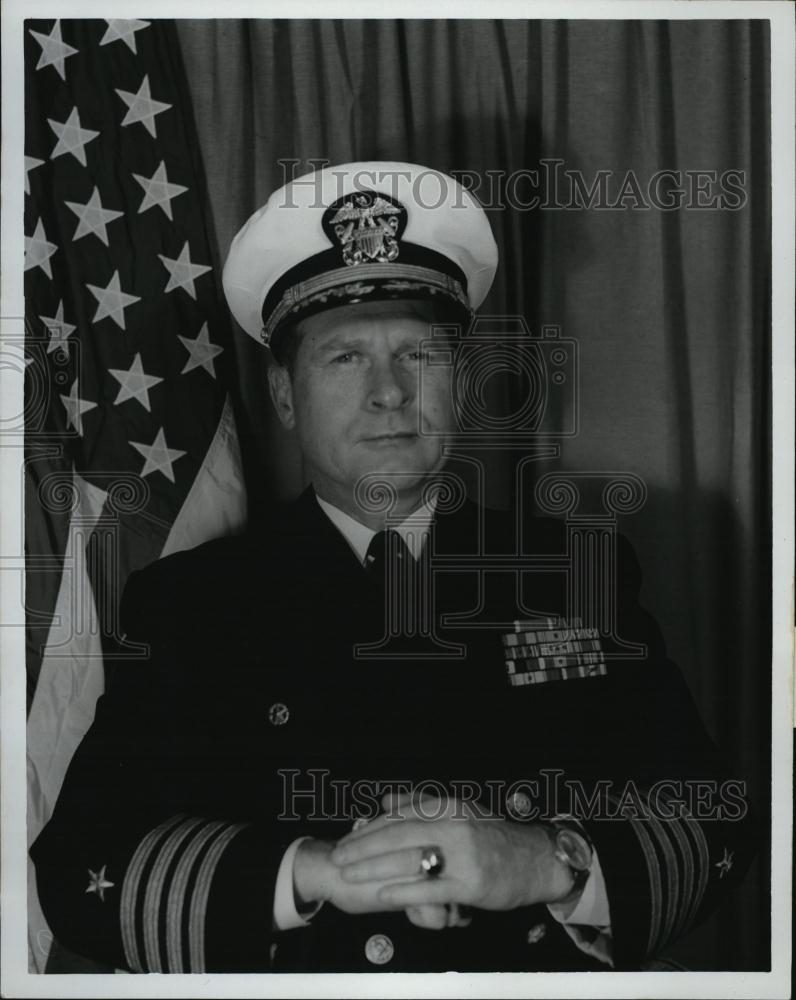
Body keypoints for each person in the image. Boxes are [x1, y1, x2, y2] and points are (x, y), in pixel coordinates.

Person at [31, 161, 755, 974]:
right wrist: (317, 872)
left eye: (419, 353)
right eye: (344, 358)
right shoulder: (190, 605)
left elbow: (712, 819)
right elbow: (82, 866)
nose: (389, 393)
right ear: (283, 394)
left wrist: (551, 862)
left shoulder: (572, 572)